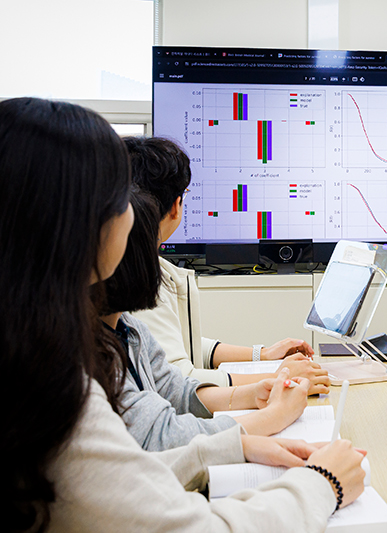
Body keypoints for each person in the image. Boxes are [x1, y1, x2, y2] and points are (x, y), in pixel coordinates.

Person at [1, 97, 365, 532]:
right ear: (78, 226)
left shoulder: (31, 354)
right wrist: (323, 484)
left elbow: (126, 471)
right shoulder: (58, 395)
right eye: (121, 196)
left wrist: (232, 445)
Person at [101, 189, 312, 451]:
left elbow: (173, 386)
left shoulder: (131, 329)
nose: (156, 263)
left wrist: (255, 392)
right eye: (149, 250)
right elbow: (159, 437)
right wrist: (271, 417)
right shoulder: (90, 356)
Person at [124, 136, 330, 391]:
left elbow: (181, 346)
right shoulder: (136, 276)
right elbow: (180, 382)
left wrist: (263, 355)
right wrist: (280, 377)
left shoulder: (150, 265)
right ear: (176, 206)